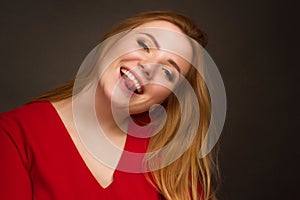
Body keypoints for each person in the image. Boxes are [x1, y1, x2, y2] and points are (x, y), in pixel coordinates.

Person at [0, 11, 220, 200]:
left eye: (167, 72)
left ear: (167, 97)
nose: (148, 68)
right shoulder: (13, 134)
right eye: (144, 45)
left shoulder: (167, 157)